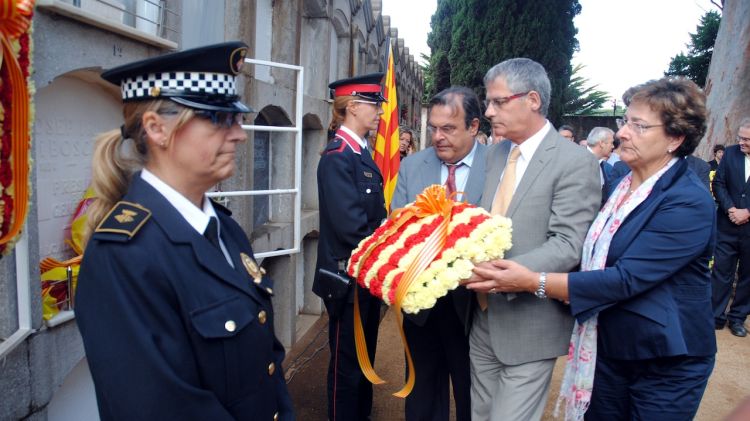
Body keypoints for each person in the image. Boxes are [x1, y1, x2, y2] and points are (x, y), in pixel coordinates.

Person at [466, 77, 717, 420]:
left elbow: (626, 279)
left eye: (638, 125)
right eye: (624, 121)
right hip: (611, 346)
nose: (623, 133)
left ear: (675, 138)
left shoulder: (687, 201)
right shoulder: (622, 186)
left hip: (663, 359)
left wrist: (533, 281)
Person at [75, 42, 294, 420]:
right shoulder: (123, 256)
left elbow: (266, 362)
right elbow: (161, 407)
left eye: (237, 119)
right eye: (220, 120)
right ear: (157, 128)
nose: (240, 134)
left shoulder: (223, 229)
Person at [468, 57, 601, 421]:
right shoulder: (493, 154)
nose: (489, 110)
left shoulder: (574, 162)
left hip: (530, 321)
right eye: (488, 101)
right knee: (480, 414)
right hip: (481, 317)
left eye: (498, 101)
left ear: (532, 100)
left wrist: (501, 275)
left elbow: (568, 242)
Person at [391, 86, 487, 421]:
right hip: (422, 305)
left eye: (448, 128)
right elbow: (397, 226)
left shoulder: (499, 166)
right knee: (422, 394)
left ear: (474, 126)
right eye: (433, 128)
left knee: (471, 394)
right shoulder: (413, 165)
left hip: (476, 307)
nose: (437, 137)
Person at [314, 73, 387, 421]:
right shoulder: (338, 156)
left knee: (363, 361)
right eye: (374, 105)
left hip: (367, 275)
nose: (380, 113)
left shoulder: (359, 152)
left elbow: (376, 215)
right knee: (347, 367)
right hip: (349, 280)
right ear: (353, 106)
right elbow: (351, 228)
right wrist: (391, 248)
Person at [711, 118, 750, 338]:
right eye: (740, 137)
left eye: (746, 139)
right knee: (721, 272)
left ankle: (737, 318)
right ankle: (715, 316)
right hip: (727, 224)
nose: (741, 142)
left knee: (747, 275)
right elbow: (719, 183)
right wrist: (731, 209)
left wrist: (748, 212)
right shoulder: (731, 154)